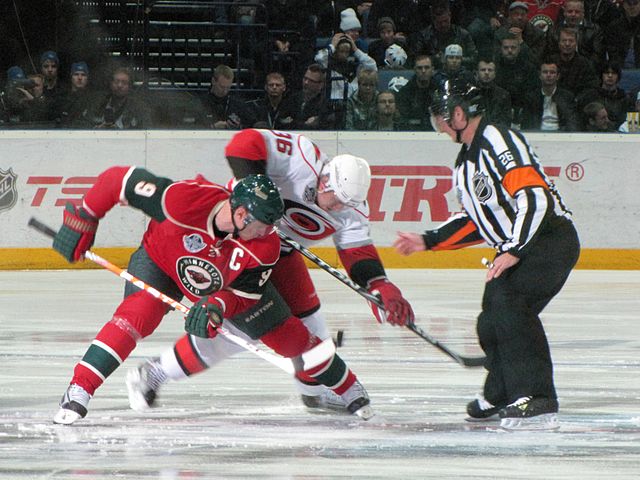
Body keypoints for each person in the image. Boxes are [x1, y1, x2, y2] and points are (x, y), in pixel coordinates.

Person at [126, 129, 414, 415]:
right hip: (241, 243)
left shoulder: (352, 208)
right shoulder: (302, 156)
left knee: (313, 327)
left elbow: (357, 255)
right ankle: (155, 373)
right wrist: (256, 192)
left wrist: (379, 285)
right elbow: (244, 143)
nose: (339, 208)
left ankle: (314, 392)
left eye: (345, 204)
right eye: (337, 200)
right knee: (239, 332)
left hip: (282, 255)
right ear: (325, 181)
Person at [52, 168, 373, 424]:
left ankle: (350, 388)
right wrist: (86, 217)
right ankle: (79, 389)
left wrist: (218, 305)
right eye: (262, 225)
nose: (268, 233)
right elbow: (116, 180)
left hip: (222, 286)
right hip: (160, 262)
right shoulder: (183, 199)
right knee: (135, 317)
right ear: (242, 214)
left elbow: (245, 295)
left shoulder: (265, 246)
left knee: (290, 339)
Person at [393, 80, 580, 430]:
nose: (439, 125)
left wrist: (515, 249)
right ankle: (501, 391)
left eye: (441, 117)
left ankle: (537, 396)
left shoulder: (498, 139)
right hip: (521, 246)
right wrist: (428, 240)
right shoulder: (465, 162)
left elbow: (534, 197)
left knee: (511, 305)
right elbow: (477, 221)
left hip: (548, 240)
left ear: (459, 113)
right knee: (491, 317)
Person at [521, 60, 580, 132]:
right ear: (540, 75)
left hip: (562, 135)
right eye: (545, 72)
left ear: (558, 76)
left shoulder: (567, 97)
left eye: (552, 72)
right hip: (537, 134)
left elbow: (572, 122)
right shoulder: (531, 97)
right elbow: (527, 124)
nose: (548, 75)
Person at [83, 67, 150, 129]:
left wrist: (120, 132)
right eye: (116, 82)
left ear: (129, 86)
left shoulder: (139, 108)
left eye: (124, 82)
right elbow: (84, 126)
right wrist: (96, 129)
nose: (119, 85)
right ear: (111, 84)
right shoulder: (98, 104)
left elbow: (145, 132)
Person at [198, 64, 252, 130]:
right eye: (222, 87)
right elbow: (191, 129)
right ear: (213, 81)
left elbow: (251, 125)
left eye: (228, 87)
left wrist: (239, 126)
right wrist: (213, 127)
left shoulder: (237, 104)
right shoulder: (200, 103)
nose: (225, 91)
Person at [395, 54, 438, 130]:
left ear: (432, 69)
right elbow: (404, 119)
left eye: (427, 67)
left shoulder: (439, 90)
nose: (423, 71)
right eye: (420, 68)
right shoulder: (405, 93)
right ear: (414, 70)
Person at [475, 58, 512, 128]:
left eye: (490, 70)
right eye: (483, 70)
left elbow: (506, 121)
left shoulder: (503, 95)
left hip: (497, 134)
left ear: (495, 73)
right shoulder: (470, 95)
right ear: (477, 73)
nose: (486, 73)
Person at [55, 61, 92, 127]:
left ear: (87, 78)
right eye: (76, 74)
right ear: (71, 77)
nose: (80, 78)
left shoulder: (92, 100)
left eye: (83, 75)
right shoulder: (61, 98)